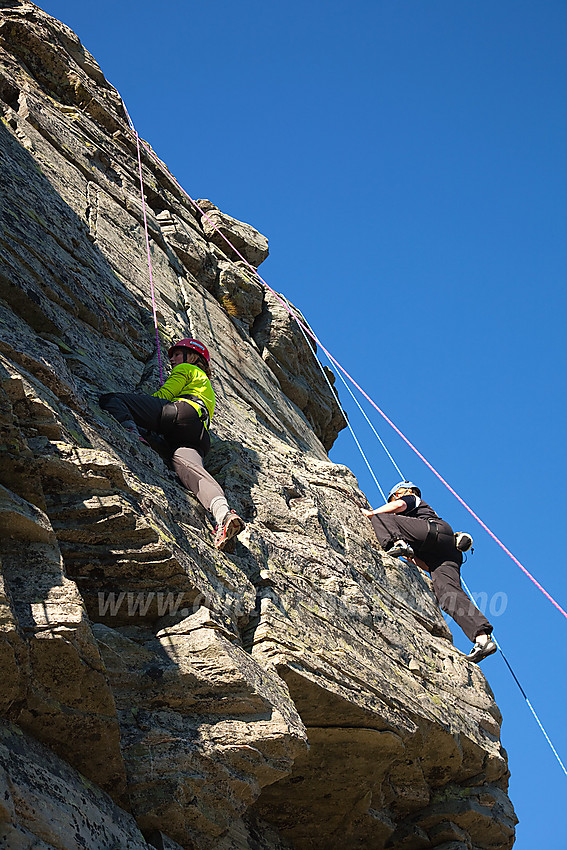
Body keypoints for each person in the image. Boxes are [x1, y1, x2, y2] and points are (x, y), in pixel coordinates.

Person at [99, 338, 245, 551]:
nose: (172, 359)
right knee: (196, 475)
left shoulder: (187, 369)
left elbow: (164, 395)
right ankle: (223, 515)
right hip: (198, 436)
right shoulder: (206, 385)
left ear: (192, 357)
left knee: (113, 400)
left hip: (180, 413)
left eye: (177, 354)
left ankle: (132, 433)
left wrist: (144, 410)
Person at [364, 481, 496, 663]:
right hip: (444, 553)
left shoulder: (411, 498)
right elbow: (425, 566)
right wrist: (410, 557)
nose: (394, 501)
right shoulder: (411, 524)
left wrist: (371, 514)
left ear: (401, 492)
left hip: (433, 532)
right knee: (449, 595)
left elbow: (399, 505)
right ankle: (482, 639)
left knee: (380, 518)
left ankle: (398, 543)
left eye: (394, 496)